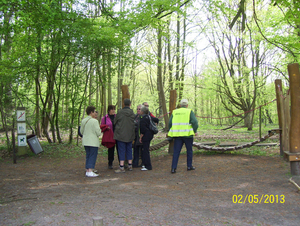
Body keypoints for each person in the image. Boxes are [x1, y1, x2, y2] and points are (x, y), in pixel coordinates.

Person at [168, 99, 198, 174]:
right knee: (189, 151)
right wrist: (194, 131)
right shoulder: (189, 111)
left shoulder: (175, 112)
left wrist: (171, 131)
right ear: (187, 105)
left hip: (177, 135)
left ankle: (173, 168)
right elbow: (195, 122)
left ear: (180, 105)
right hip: (187, 135)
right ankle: (189, 166)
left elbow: (170, 123)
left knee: (176, 152)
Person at [113, 98, 135, 173]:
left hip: (120, 135)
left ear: (123, 104)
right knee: (129, 149)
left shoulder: (120, 113)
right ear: (130, 104)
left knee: (121, 150)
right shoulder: (132, 113)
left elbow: (114, 122)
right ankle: (130, 165)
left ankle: (121, 166)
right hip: (130, 134)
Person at [80, 106, 102, 177]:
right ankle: (90, 170)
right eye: (94, 111)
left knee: (88, 155)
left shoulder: (83, 120)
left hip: (86, 141)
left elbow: (81, 131)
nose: (95, 113)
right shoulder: (95, 121)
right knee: (92, 155)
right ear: (91, 112)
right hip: (93, 141)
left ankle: (87, 170)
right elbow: (98, 132)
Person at [101, 105, 118, 169]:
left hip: (118, 135)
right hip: (110, 136)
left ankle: (121, 163)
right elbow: (102, 126)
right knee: (111, 149)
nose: (113, 110)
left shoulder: (117, 117)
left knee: (119, 149)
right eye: (112, 109)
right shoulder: (105, 118)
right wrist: (106, 128)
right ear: (109, 110)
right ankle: (110, 163)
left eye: (114, 109)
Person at [139, 106, 154, 171]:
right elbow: (156, 119)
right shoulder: (149, 117)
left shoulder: (143, 119)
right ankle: (145, 164)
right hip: (150, 134)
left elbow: (143, 129)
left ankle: (148, 166)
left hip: (146, 136)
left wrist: (141, 137)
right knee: (145, 150)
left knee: (145, 150)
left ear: (142, 112)